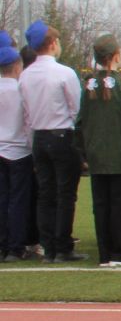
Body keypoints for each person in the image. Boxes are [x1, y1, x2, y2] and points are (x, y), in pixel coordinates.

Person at [74, 34, 121, 266]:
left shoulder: (88, 86)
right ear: (116, 56)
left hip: (97, 159)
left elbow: (80, 124)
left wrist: (83, 154)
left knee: (102, 206)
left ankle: (105, 253)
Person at [20, 21, 84, 262]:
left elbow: (26, 115)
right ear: (53, 44)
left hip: (39, 137)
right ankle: (63, 245)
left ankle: (48, 247)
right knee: (66, 194)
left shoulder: (26, 76)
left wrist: (31, 143)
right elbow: (77, 110)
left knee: (46, 194)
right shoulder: (64, 73)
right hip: (61, 136)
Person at [0, 39, 32, 261]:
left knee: (2, 199)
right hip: (20, 151)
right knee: (18, 200)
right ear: (17, 67)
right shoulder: (21, 90)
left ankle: (2, 244)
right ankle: (16, 246)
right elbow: (29, 122)